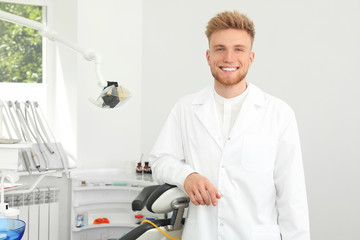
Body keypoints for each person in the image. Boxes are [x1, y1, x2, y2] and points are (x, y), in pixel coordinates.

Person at [149, 10, 310, 240]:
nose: (228, 58)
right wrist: (186, 176)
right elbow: (160, 160)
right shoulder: (185, 108)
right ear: (208, 56)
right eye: (220, 49)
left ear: (250, 58)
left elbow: (292, 199)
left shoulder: (279, 114)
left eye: (238, 49)